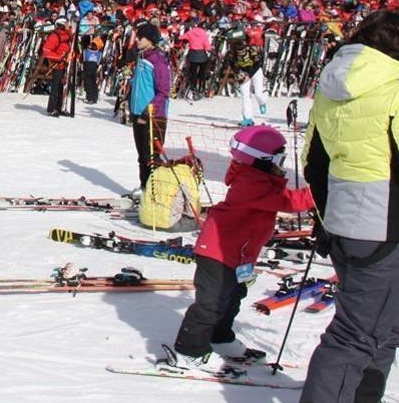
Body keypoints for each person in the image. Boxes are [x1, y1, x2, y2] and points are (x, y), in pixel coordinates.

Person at [295, 10, 399, 403]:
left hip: (349, 221)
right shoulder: (398, 91)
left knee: (384, 319)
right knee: (357, 328)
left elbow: (315, 161)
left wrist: (328, 217)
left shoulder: (331, 85)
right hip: (384, 223)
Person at [164, 125, 315, 374]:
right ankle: (188, 352)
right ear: (261, 160)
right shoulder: (251, 183)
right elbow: (291, 201)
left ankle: (220, 337)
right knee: (210, 304)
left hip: (238, 255)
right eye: (279, 159)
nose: (282, 164)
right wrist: (322, 191)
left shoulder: (262, 178)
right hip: (218, 251)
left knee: (232, 297)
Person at [129, 22, 171, 189]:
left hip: (154, 116)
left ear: (150, 40)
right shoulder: (142, 57)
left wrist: (147, 113)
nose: (137, 40)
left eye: (141, 37)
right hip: (137, 112)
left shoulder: (158, 60)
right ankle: (144, 187)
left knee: (152, 156)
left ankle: (156, 190)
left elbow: (164, 91)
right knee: (142, 156)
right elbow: (139, 83)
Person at [225, 31, 268, 126]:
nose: (241, 54)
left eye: (243, 52)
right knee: (245, 96)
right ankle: (248, 118)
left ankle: (262, 103)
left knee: (258, 93)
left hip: (255, 71)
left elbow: (257, 64)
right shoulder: (231, 54)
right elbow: (232, 65)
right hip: (243, 72)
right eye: (239, 53)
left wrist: (249, 75)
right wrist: (238, 73)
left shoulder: (250, 50)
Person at [43, 17, 73, 116]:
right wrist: (58, 57)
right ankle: (52, 108)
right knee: (56, 87)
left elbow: (71, 47)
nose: (68, 25)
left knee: (63, 87)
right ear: (62, 24)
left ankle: (60, 108)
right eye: (66, 23)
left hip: (66, 64)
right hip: (57, 65)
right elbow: (47, 50)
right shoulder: (55, 35)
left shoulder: (68, 35)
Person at [180, 22, 213, 98]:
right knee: (202, 72)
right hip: (202, 55)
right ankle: (201, 87)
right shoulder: (204, 34)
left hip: (193, 55)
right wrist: (210, 49)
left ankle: (193, 87)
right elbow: (207, 46)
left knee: (193, 72)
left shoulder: (191, 32)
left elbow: (181, 37)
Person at [82, 35, 103, 104]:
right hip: (94, 69)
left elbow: (83, 60)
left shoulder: (85, 51)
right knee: (93, 84)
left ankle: (90, 98)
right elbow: (100, 63)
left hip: (88, 68)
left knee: (89, 83)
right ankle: (94, 98)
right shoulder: (99, 53)